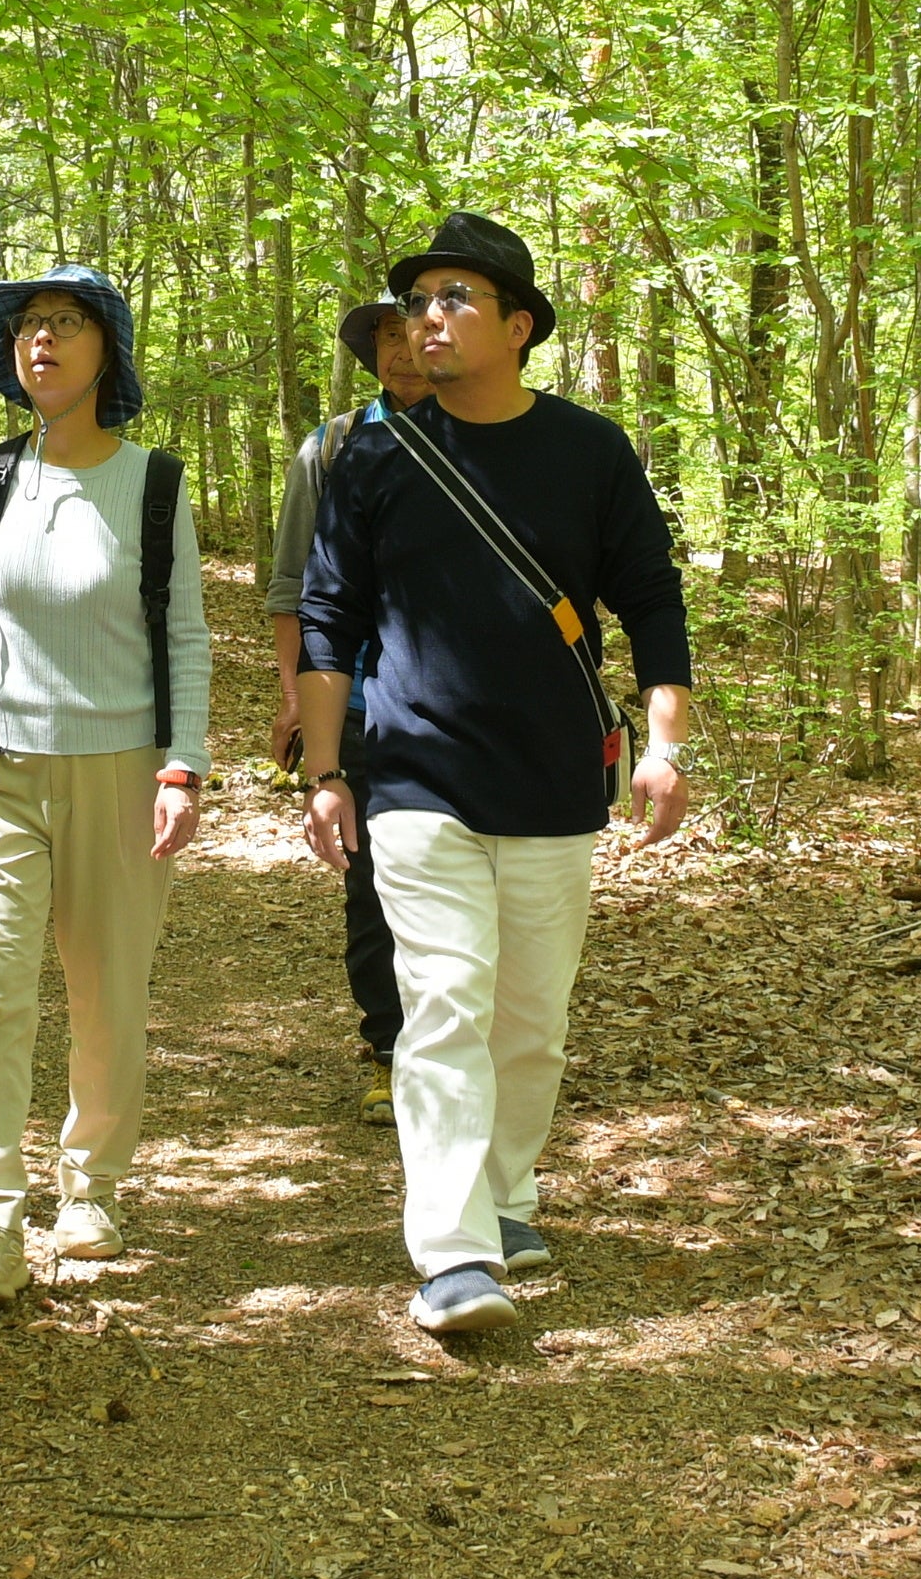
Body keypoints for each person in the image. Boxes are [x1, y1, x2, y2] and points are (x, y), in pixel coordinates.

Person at [296, 210, 696, 1337]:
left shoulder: (590, 450)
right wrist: (326, 771)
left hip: (557, 777)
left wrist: (665, 746)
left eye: (456, 297)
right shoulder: (371, 454)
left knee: (530, 1018)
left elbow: (653, 598)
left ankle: (509, 1193)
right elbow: (328, 617)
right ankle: (455, 1251)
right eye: (419, 299)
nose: (429, 315)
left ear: (518, 326)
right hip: (413, 774)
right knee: (443, 1003)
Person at [0, 265, 212, 1306]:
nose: (43, 341)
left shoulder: (154, 484)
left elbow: (184, 636)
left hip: (121, 773)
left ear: (106, 352)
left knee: (107, 991)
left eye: (67, 324)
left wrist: (184, 764)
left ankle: (92, 1186)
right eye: (30, 326)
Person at [263, 298, 424, 1123]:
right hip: (356, 695)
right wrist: (297, 698)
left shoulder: (488, 437)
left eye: (411, 332)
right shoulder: (329, 448)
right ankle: (390, 1046)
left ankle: (464, 1050)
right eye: (384, 337)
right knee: (372, 880)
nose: (399, 351)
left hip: (463, 706)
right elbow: (293, 586)